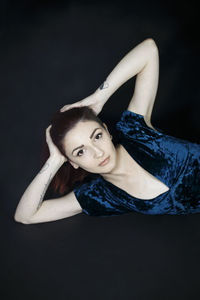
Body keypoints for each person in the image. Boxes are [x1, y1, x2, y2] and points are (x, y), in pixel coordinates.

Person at [14, 38, 200, 224]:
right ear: (73, 162)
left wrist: (100, 97)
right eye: (80, 151)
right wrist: (54, 160)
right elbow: (25, 216)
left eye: (97, 136)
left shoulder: (136, 132)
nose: (98, 152)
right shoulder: (103, 195)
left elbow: (149, 50)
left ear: (107, 131)